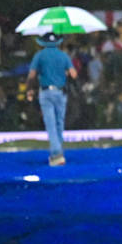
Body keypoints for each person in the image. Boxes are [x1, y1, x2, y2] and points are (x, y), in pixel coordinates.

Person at [26, 32, 78, 166]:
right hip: (60, 92)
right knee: (60, 123)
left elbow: (32, 75)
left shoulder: (40, 55)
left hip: (46, 92)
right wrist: (64, 72)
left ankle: (56, 153)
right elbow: (73, 74)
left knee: (50, 124)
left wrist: (29, 90)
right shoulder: (63, 55)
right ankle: (58, 153)